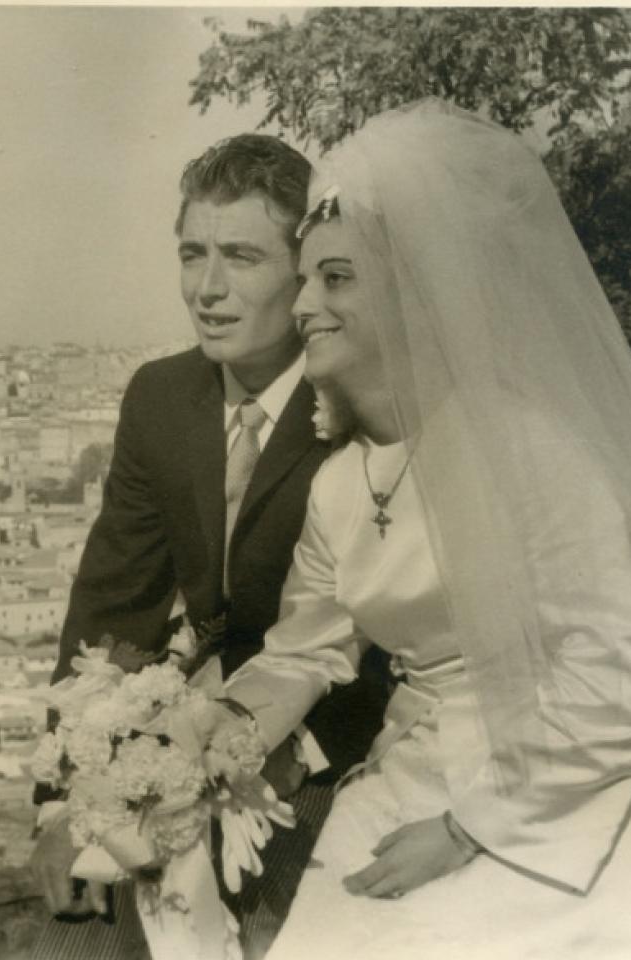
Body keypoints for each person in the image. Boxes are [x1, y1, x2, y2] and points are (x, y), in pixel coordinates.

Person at [197, 100, 631, 960]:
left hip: (565, 806)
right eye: (305, 279)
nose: (305, 304)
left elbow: (610, 672)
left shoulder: (532, 453)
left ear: (417, 296)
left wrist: (468, 829)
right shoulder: (339, 485)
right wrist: (193, 747)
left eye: (337, 279)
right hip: (410, 779)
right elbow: (303, 653)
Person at [26, 133, 391, 960]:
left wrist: (259, 766)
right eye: (193, 254)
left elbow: (386, 638)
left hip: (328, 752)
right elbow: (112, 606)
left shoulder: (359, 400)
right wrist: (68, 800)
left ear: (302, 272)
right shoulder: (162, 397)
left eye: (242, 258)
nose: (208, 289)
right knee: (69, 949)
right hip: (175, 747)